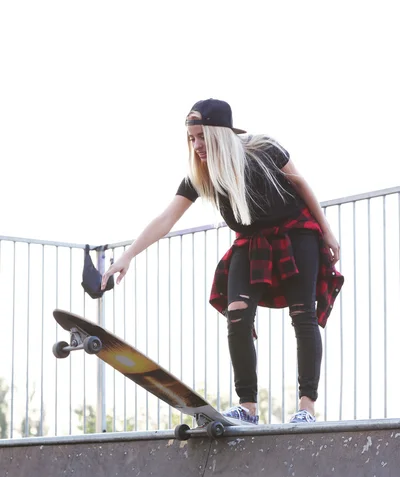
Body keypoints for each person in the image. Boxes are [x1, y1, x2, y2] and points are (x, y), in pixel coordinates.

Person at [101, 98, 344, 425]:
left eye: (202, 136)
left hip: (296, 235)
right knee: (237, 316)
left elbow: (300, 183)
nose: (197, 145)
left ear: (219, 134)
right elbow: (166, 218)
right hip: (250, 242)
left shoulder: (263, 149)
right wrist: (128, 255)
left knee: (303, 315)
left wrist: (326, 231)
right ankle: (247, 408)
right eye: (192, 138)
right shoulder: (200, 175)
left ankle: (306, 409)